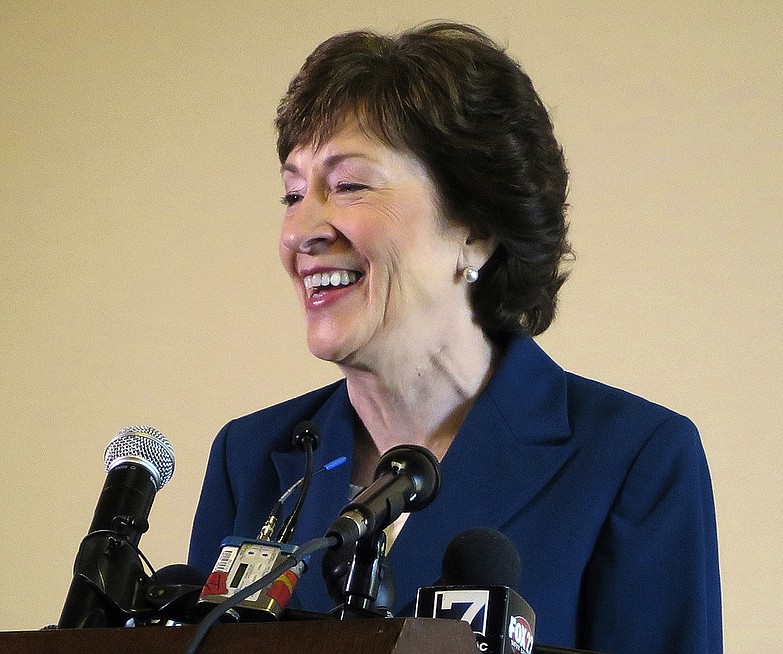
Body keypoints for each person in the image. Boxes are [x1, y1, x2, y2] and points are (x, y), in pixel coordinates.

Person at [189, 22, 722, 653]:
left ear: (475, 227)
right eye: (292, 193)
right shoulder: (248, 461)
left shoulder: (635, 460)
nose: (300, 230)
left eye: (349, 185)